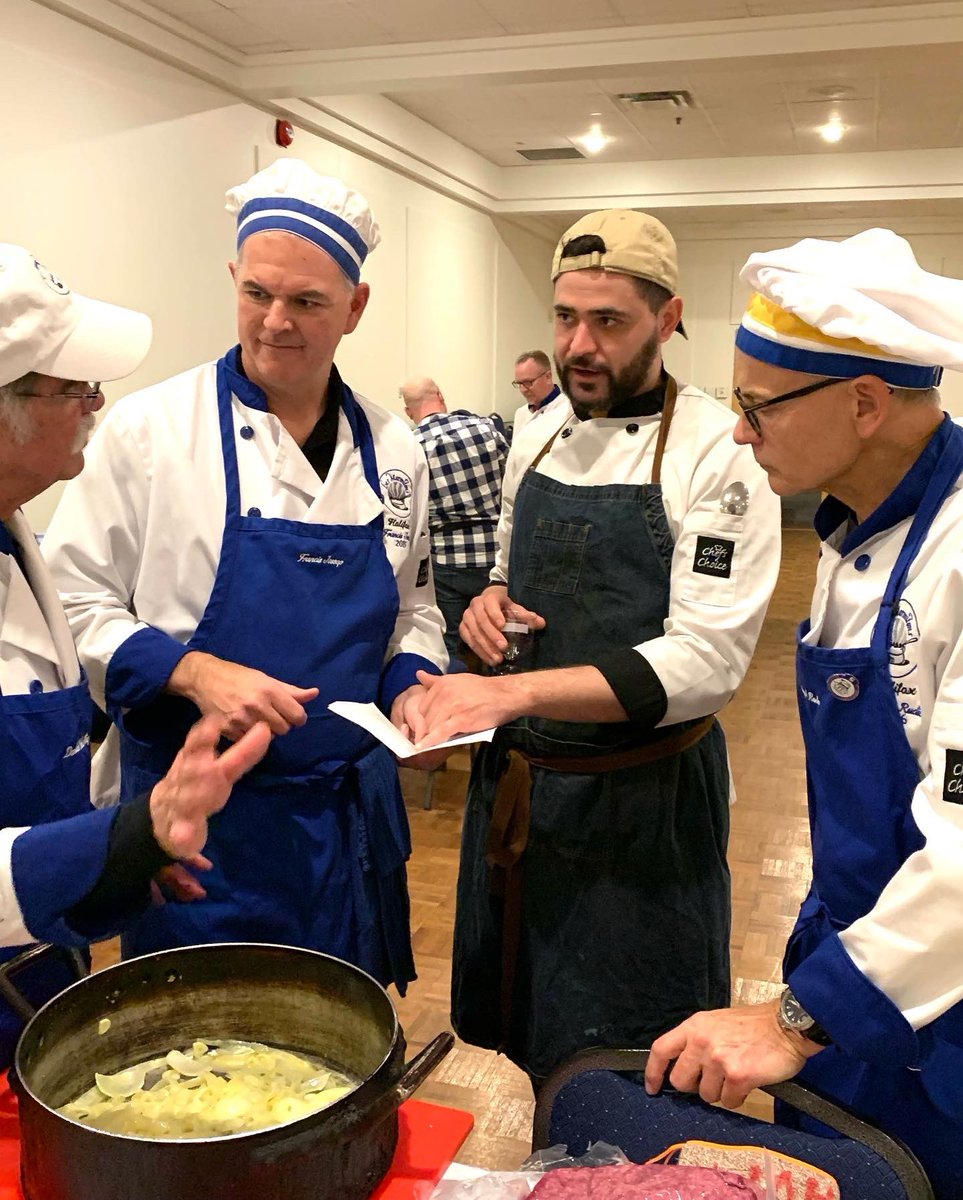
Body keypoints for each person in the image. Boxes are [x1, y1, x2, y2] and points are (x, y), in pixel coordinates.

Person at [43, 160, 448, 992]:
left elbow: (413, 605)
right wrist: (193, 670)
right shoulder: (151, 432)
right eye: (257, 293)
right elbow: (74, 604)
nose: (275, 322)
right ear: (233, 279)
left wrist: (414, 682)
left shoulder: (394, 448)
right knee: (202, 1060)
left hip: (343, 827)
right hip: (200, 831)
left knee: (337, 1041)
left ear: (355, 307)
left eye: (307, 302)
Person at [410, 209, 783, 1087]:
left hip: (642, 805)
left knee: (631, 1055)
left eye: (608, 322)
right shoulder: (536, 429)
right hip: (528, 798)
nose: (580, 344)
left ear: (667, 316)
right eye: (565, 317)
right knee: (532, 1029)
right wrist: (490, 603)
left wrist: (509, 696)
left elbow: (704, 663)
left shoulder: (716, 450)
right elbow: (507, 557)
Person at [643, 229, 963, 1198]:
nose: (740, 432)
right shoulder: (850, 531)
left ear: (865, 403)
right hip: (848, 973)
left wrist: (792, 1019)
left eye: (757, 406)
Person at [0, 243, 270, 1063]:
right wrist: (117, 842)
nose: (96, 403)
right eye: (73, 388)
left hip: (37, 985)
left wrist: (116, 862)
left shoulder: (20, 537)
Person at [400, 376, 508, 668]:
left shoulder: (408, 445)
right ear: (441, 396)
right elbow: (512, 490)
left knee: (448, 641)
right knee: (496, 637)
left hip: (444, 558)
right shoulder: (487, 429)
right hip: (494, 555)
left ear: (409, 412)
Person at [510, 350, 569, 438]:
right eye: (519, 384)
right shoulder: (520, 413)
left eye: (528, 382)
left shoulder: (569, 409)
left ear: (548, 377)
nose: (523, 389)